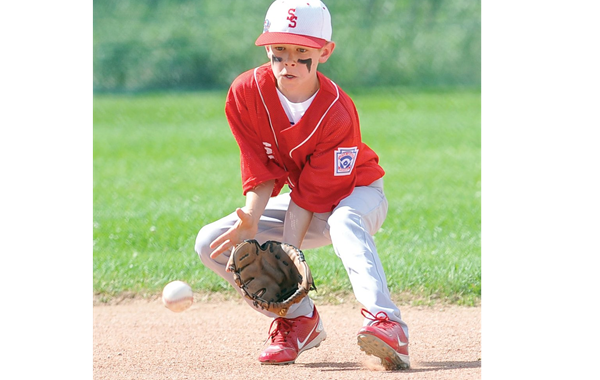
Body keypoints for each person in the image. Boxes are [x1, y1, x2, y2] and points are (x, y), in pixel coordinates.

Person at [195, 0, 410, 371]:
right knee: (210, 243)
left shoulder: (336, 111)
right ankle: (299, 320)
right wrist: (250, 217)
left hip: (358, 194)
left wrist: (286, 251)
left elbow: (313, 196)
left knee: (344, 222)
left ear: (325, 52)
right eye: (279, 50)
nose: (288, 61)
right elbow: (261, 171)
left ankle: (387, 322)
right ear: (266, 48)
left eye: (301, 51)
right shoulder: (247, 92)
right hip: (302, 202)